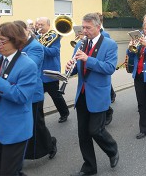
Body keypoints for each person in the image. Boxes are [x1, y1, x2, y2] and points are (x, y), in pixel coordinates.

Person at [66, 13, 119, 176]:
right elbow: (77, 67)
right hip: (82, 94)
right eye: (83, 27)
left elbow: (109, 68)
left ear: (97, 27)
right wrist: (70, 67)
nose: (84, 30)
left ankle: (112, 150)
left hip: (98, 94)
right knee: (83, 134)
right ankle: (89, 166)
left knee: (95, 130)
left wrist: (88, 59)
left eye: (88, 28)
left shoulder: (109, 44)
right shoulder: (80, 44)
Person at [0, 22, 37, 175]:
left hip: (14, 128)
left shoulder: (28, 65)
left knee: (8, 172)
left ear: (15, 40)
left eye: (2, 40)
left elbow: (21, 96)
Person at [14, 20, 57, 161]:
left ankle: (51, 144)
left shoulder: (36, 46)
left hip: (34, 92)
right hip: (20, 91)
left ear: (27, 30)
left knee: (37, 124)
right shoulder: (18, 46)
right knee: (25, 124)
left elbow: (29, 66)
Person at [37, 17, 70, 123]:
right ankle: (39, 119)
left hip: (50, 72)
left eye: (42, 24)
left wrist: (38, 46)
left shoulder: (55, 37)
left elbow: (54, 52)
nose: (39, 26)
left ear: (48, 26)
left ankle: (64, 113)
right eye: (38, 24)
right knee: (38, 99)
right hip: (38, 73)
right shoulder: (36, 37)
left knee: (56, 96)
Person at [97, 12, 115, 125]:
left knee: (103, 89)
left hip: (102, 64)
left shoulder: (105, 34)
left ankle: (108, 110)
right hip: (91, 66)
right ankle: (112, 95)